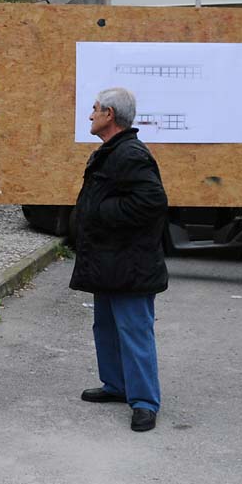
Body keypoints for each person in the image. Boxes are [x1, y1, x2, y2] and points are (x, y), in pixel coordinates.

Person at [70, 87, 168, 433]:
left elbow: (152, 202)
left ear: (109, 114)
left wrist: (99, 211)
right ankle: (116, 385)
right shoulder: (112, 151)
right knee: (106, 327)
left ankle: (144, 402)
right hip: (110, 262)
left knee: (134, 331)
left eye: (95, 109)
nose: (90, 115)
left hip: (130, 266)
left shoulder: (130, 154)